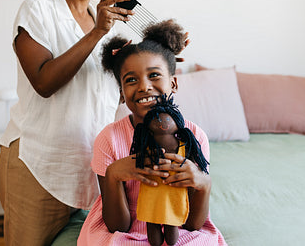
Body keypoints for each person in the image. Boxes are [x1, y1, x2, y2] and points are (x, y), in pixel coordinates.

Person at [0, 0, 134, 245]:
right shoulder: (37, 11)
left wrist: (152, 66)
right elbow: (43, 83)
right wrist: (99, 32)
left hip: (90, 171)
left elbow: (103, 100)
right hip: (38, 166)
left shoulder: (105, 27)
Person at [77, 20, 227, 245]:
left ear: (173, 83)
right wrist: (114, 174)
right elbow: (117, 225)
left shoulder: (194, 137)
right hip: (127, 229)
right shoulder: (109, 139)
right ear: (121, 92)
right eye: (131, 80)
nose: (144, 86)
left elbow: (193, 224)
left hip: (178, 224)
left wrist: (204, 184)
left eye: (154, 75)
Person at [131, 94, 210, 246]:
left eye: (167, 119)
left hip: (174, 190)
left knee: (171, 219)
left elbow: (193, 165)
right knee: (151, 218)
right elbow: (137, 162)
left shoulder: (184, 146)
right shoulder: (146, 147)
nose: (163, 123)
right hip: (151, 189)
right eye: (158, 120)